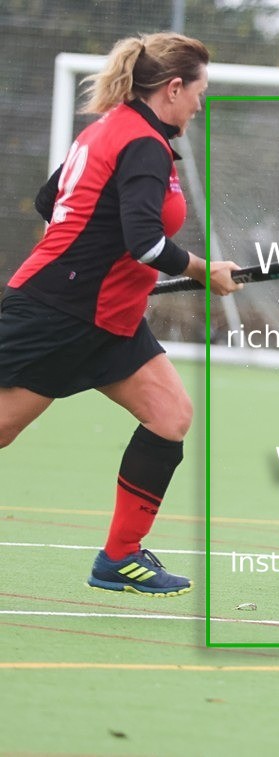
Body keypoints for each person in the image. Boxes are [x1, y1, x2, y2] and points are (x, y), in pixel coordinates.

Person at [0, 33, 242, 596]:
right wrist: (206, 270)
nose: (200, 105)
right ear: (174, 88)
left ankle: (120, 557)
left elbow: (49, 201)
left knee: (170, 416)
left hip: (109, 317)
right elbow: (146, 244)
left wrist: (98, 256)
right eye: (199, 92)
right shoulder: (142, 144)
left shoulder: (111, 130)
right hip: (59, 313)